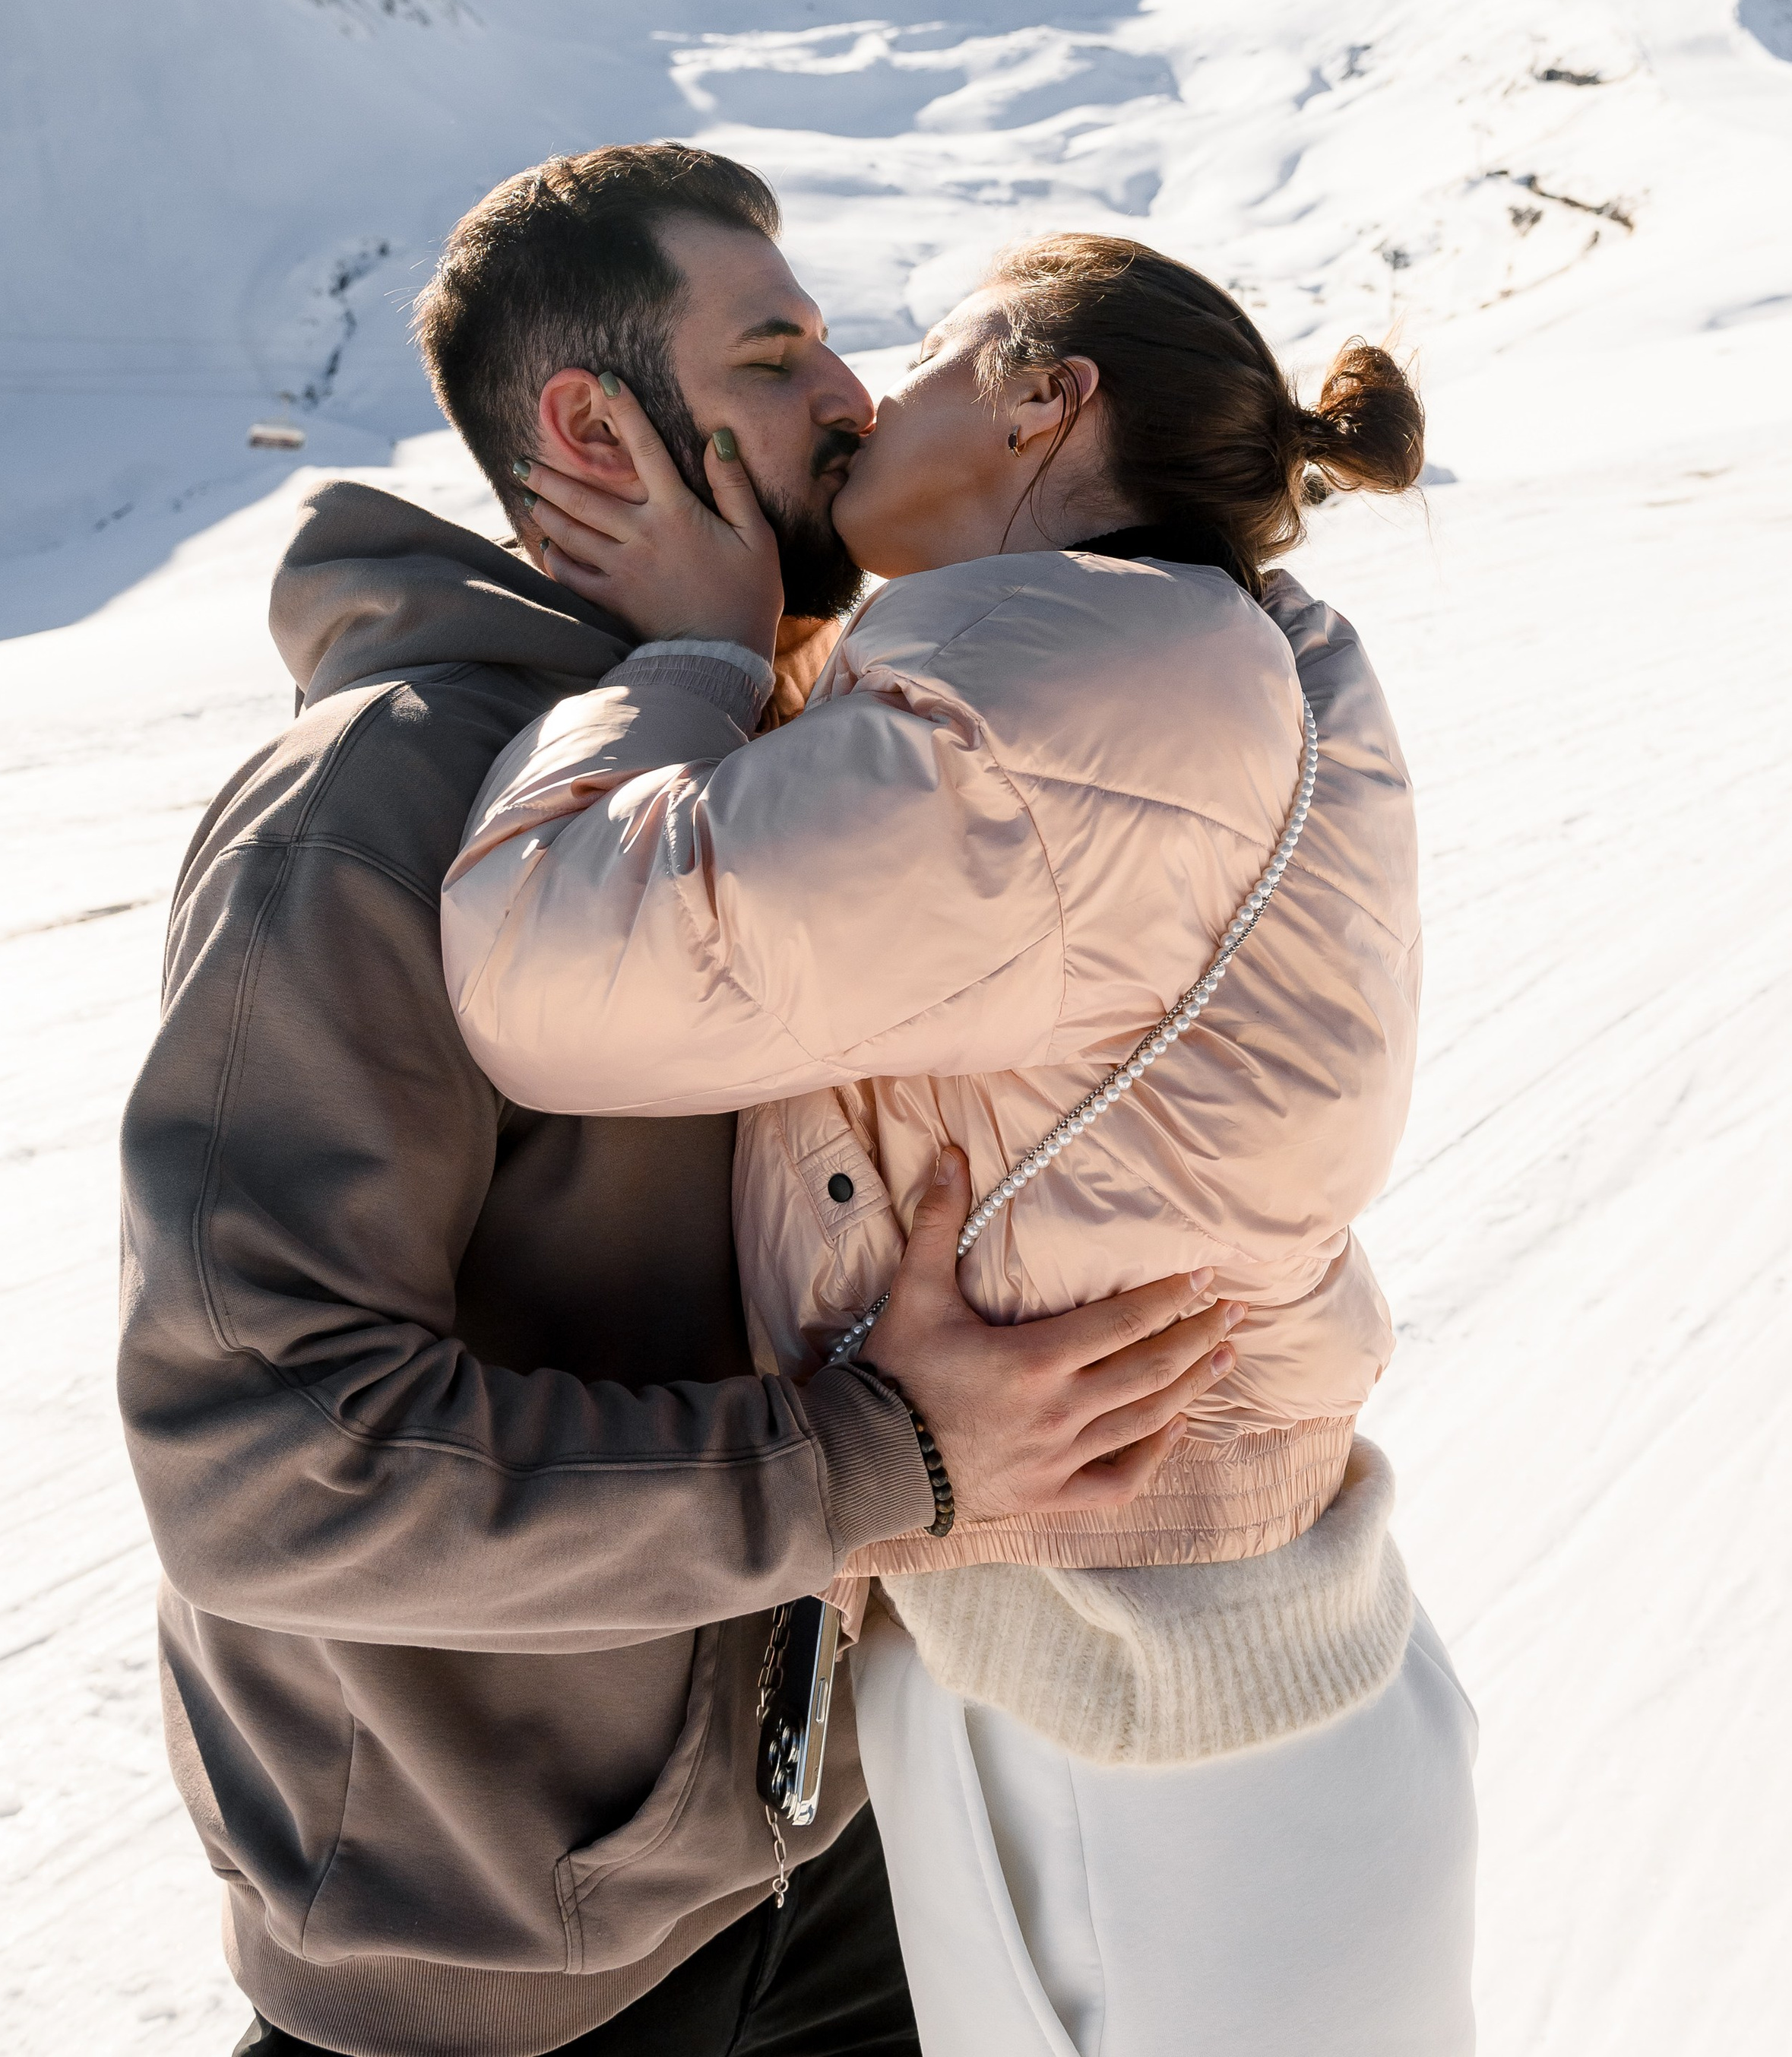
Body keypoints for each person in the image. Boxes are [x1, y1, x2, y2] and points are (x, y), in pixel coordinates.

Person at [117, 147, 1233, 2057]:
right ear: (592, 426)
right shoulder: (370, 813)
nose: (852, 398)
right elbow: (267, 1466)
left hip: (828, 1858)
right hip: (494, 1978)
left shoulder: (781, 763)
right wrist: (881, 1458)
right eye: (774, 356)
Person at [439, 228, 1480, 2056]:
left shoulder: (1050, 718)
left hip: (1139, 1743)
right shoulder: (1194, 656)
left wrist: (692, 648)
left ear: (1040, 401)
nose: (857, 403)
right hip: (1204, 1671)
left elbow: (547, 952)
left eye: (919, 353)